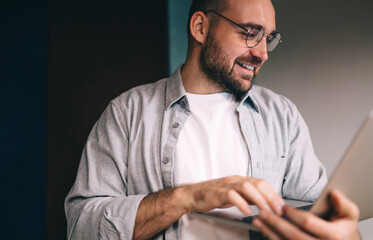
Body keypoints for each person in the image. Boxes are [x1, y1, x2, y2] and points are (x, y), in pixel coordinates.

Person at [65, 0, 360, 239]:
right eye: (250, 33)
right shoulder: (126, 113)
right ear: (200, 27)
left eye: (268, 38)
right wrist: (186, 198)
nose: (262, 53)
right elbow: (81, 227)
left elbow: (318, 215)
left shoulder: (282, 115)